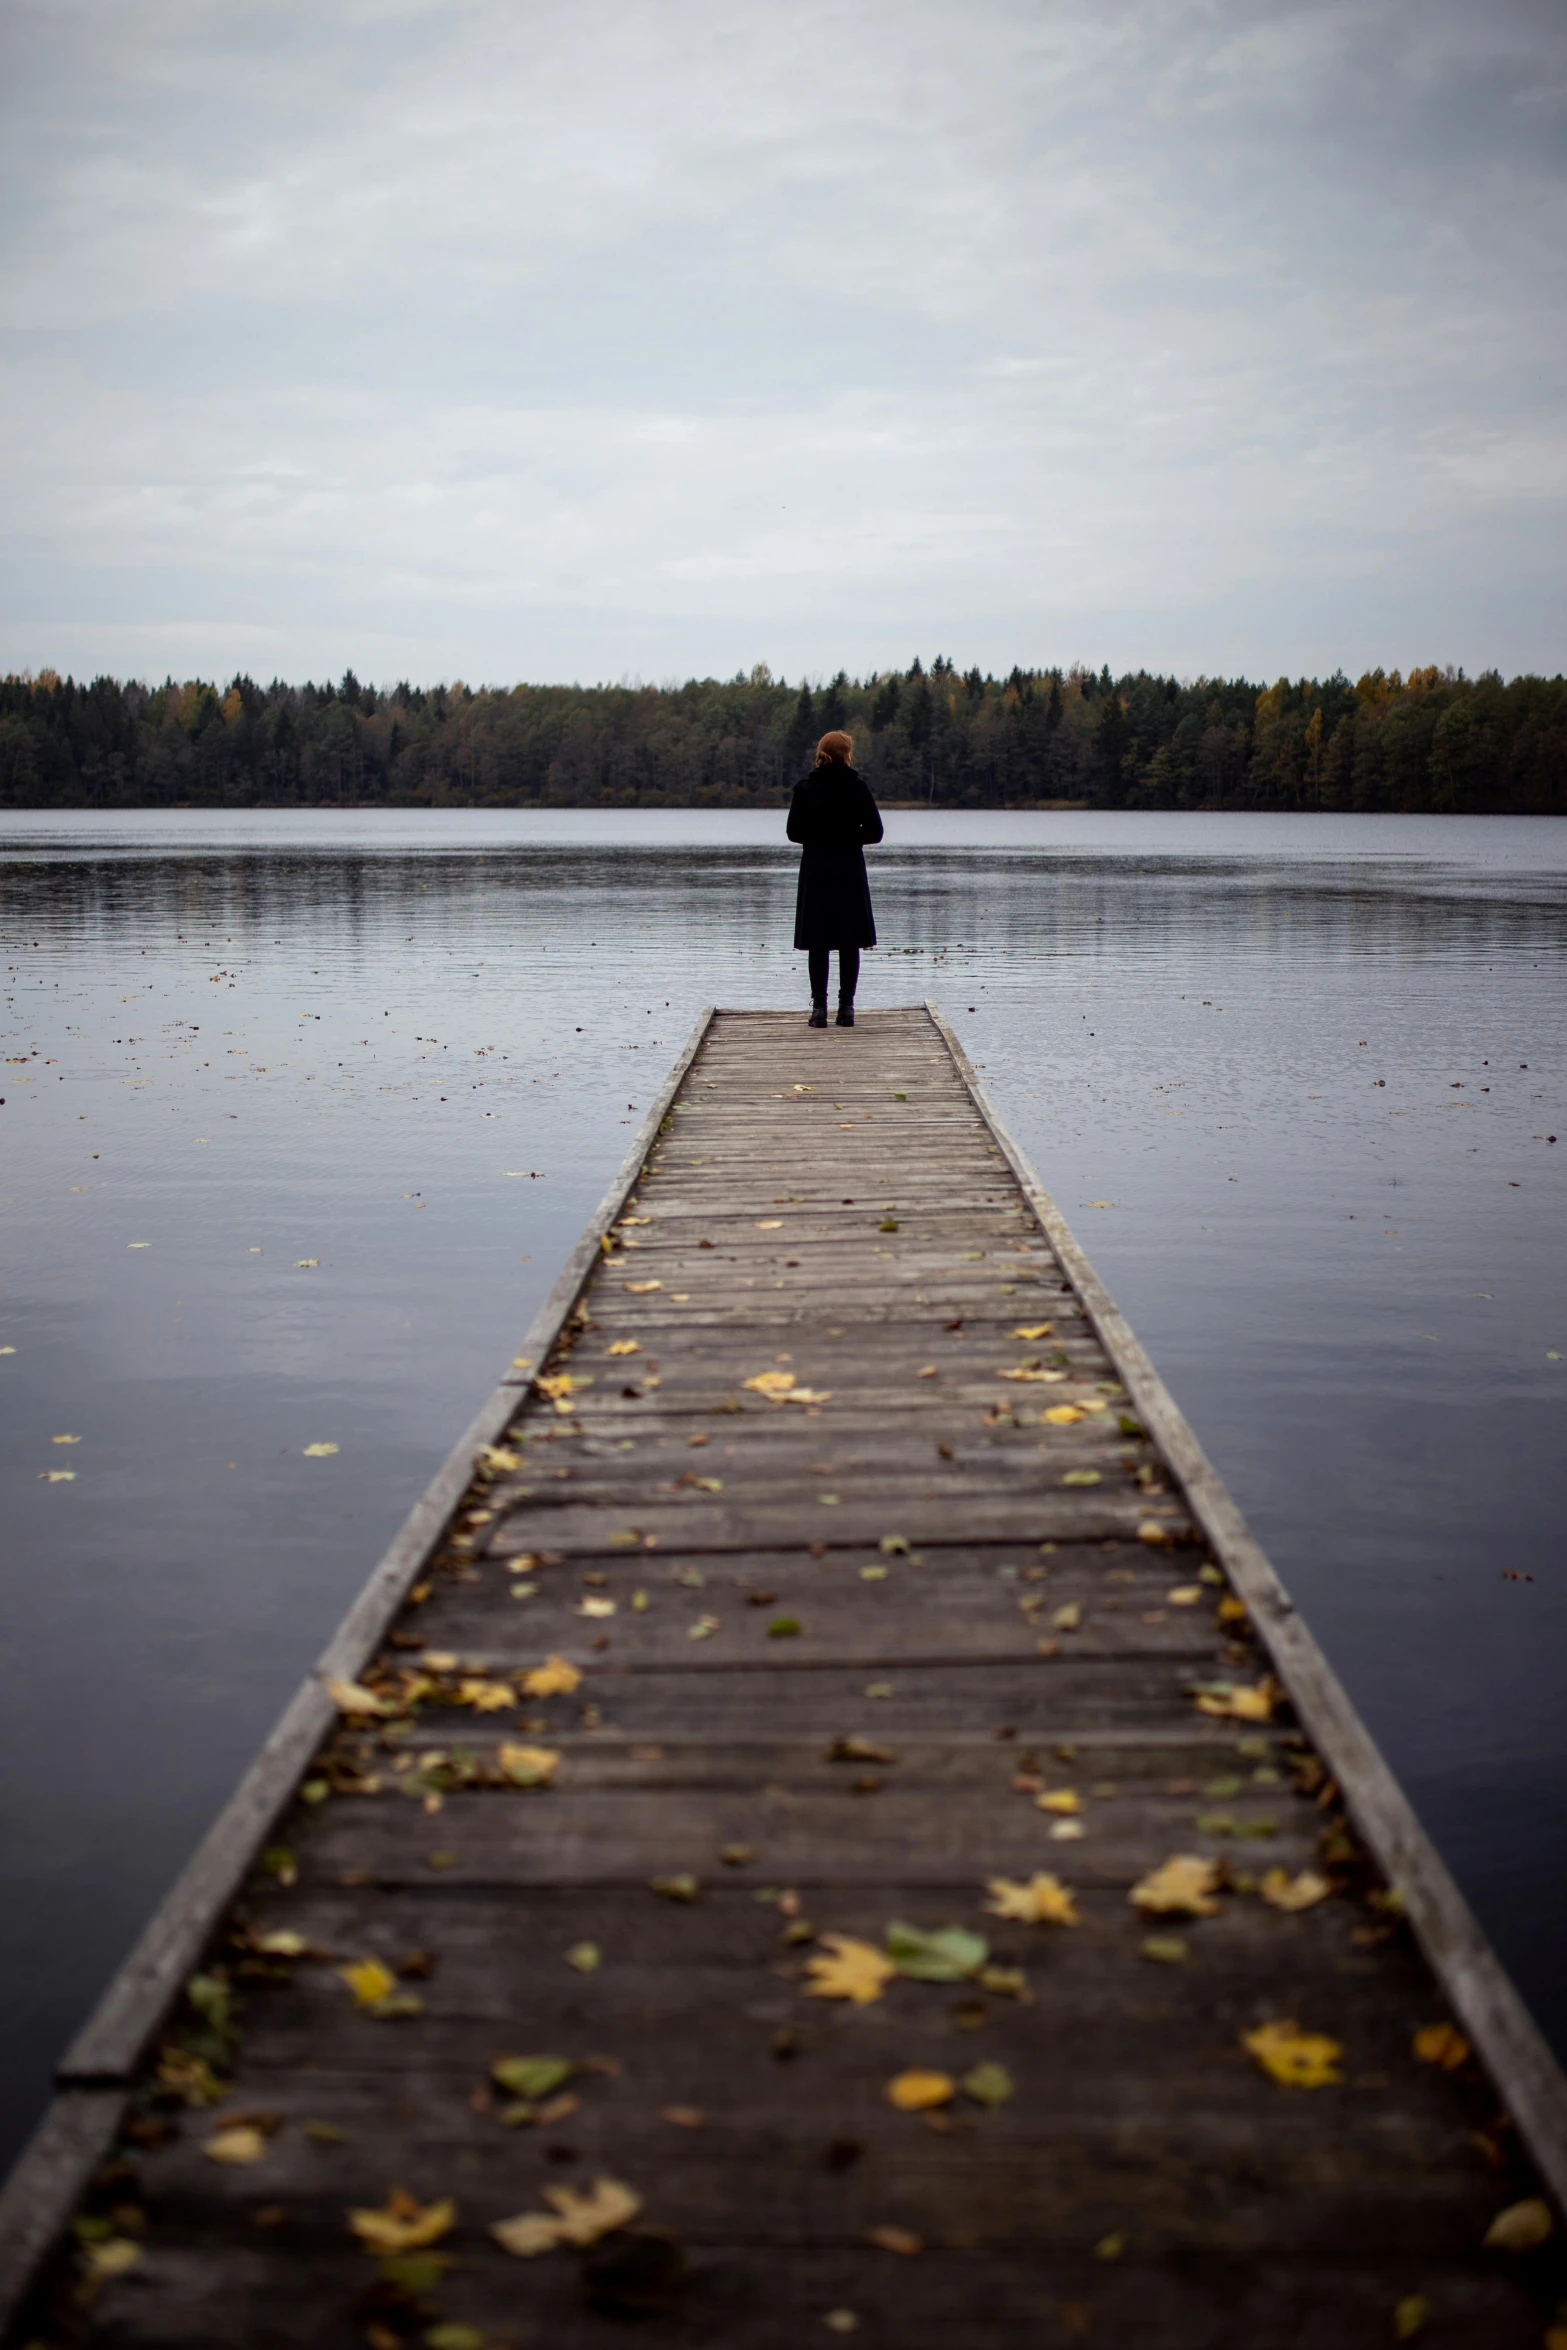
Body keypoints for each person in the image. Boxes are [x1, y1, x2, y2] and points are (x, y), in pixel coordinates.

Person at [786, 729, 884, 1027]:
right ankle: (847, 1009)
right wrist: (848, 837)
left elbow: (793, 832)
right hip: (849, 872)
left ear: (822, 753)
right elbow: (875, 833)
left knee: (818, 942)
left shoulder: (805, 788)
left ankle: (819, 1011)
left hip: (816, 871)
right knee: (849, 941)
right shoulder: (858, 788)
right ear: (847, 754)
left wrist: (819, 838)